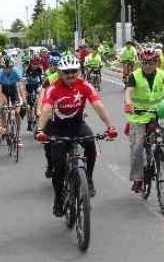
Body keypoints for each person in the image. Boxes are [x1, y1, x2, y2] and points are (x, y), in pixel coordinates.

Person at [35, 55, 118, 216]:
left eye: (74, 71)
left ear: (78, 71)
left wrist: (110, 126)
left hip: (77, 125)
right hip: (56, 128)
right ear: (59, 72)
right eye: (66, 72)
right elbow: (45, 109)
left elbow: (98, 106)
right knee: (58, 166)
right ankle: (59, 198)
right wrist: (40, 129)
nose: (71, 75)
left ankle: (89, 178)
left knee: (91, 144)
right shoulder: (53, 88)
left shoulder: (85, 86)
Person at [124, 49, 164, 194]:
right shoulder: (135, 75)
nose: (148, 65)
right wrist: (128, 104)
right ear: (141, 63)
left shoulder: (162, 75)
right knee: (137, 147)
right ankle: (138, 179)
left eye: (151, 63)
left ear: (156, 63)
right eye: (145, 63)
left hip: (159, 112)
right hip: (139, 116)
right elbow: (128, 91)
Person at [0, 56, 26, 146]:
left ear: (12, 67)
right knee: (3, 106)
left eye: (9, 68)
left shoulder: (16, 72)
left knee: (17, 112)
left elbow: (21, 87)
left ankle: (18, 134)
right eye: (5, 68)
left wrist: (24, 101)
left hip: (13, 89)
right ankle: (4, 126)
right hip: (3, 90)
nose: (7, 70)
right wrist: (1, 105)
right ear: (2, 67)